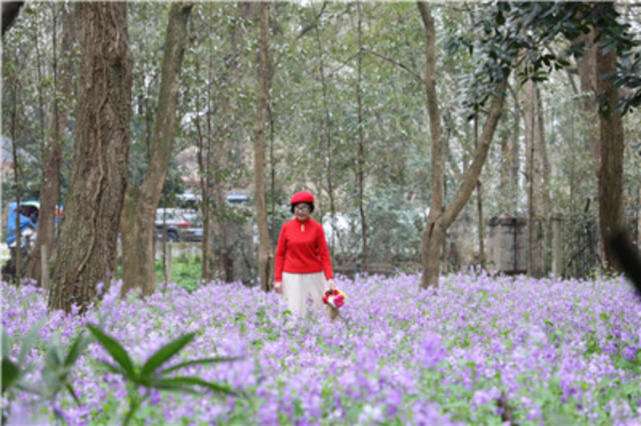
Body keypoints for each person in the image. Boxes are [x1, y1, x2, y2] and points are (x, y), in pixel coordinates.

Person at [274, 190, 336, 319]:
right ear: (293, 209)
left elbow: (324, 254)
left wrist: (329, 277)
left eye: (304, 208)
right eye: (297, 208)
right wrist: (278, 279)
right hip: (291, 275)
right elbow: (280, 254)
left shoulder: (317, 228)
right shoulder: (286, 227)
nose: (300, 211)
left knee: (316, 309)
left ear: (310, 209)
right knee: (292, 309)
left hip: (313, 274)